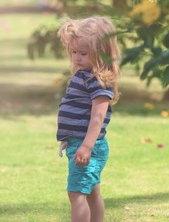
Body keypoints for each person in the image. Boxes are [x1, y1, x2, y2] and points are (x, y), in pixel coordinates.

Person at [57, 17, 120, 222]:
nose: (77, 57)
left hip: (89, 147)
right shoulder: (84, 75)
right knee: (91, 193)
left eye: (83, 53)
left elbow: (97, 118)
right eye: (74, 52)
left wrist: (86, 146)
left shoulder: (98, 81)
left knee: (76, 194)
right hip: (80, 145)